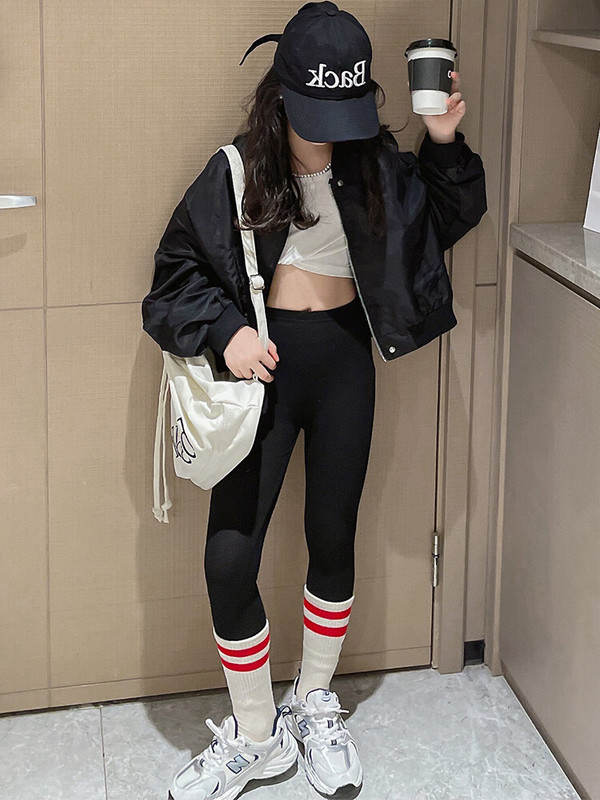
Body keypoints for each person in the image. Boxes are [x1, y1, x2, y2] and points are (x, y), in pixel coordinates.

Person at [141, 3, 487, 798]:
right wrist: (225, 330)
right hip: (262, 373)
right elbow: (170, 283)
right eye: (316, 118)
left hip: (344, 367)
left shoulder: (375, 164)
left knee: (332, 538)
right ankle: (256, 735)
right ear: (283, 96)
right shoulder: (234, 172)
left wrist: (443, 142)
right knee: (230, 560)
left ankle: (313, 703)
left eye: (344, 116)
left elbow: (444, 222)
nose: (330, 135)